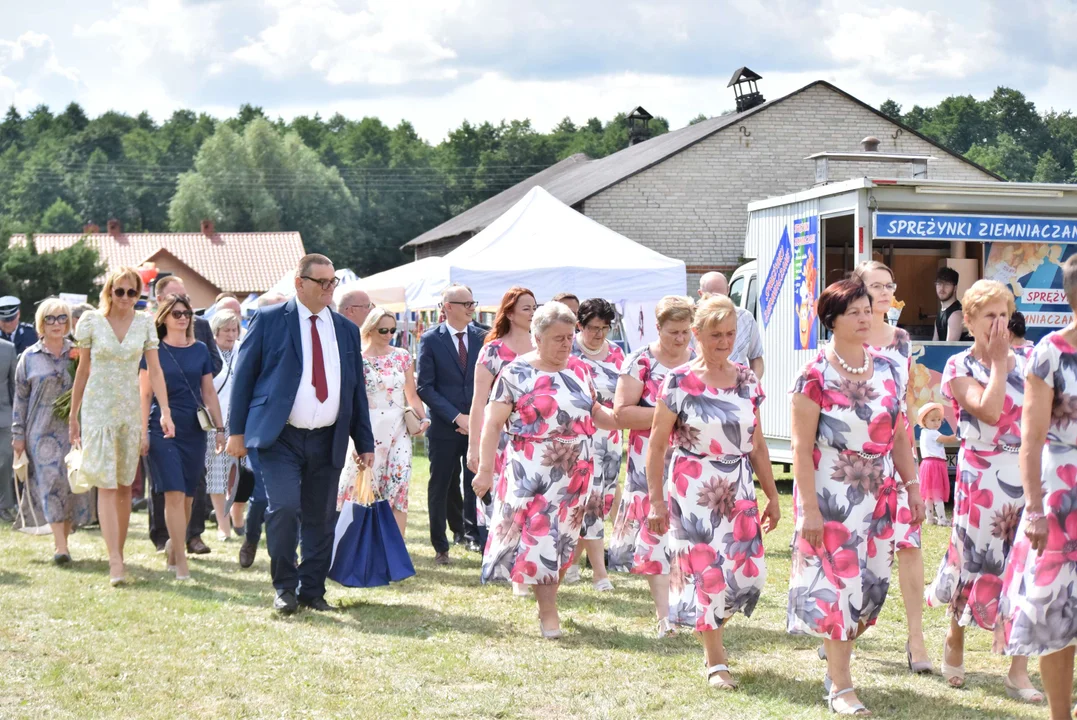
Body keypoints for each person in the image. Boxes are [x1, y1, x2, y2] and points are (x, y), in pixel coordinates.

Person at [787, 278, 921, 716]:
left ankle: (836, 652)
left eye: (868, 309)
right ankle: (841, 686)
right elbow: (800, 448)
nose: (866, 317)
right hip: (832, 492)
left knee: (870, 592)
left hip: (879, 492)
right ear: (832, 321)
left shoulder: (890, 367)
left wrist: (913, 484)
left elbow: (899, 432)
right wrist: (807, 507)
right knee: (838, 587)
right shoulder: (814, 375)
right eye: (855, 312)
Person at [227, 253, 375, 614]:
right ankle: (284, 587)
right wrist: (236, 432)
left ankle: (312, 590)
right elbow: (243, 379)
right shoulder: (268, 319)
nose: (329, 289)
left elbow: (355, 389)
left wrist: (364, 441)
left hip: (328, 436)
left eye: (332, 282)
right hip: (280, 437)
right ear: (299, 283)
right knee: (284, 509)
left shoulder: (345, 329)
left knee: (321, 516)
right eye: (321, 282)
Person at [645, 295, 780, 689]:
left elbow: (755, 442)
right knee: (708, 572)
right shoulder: (679, 380)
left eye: (730, 334)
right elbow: (655, 444)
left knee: (747, 574)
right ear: (697, 334)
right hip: (694, 486)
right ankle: (715, 660)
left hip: (738, 486)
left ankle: (707, 622)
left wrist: (771, 494)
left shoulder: (746, 379)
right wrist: (656, 501)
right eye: (715, 334)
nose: (724, 342)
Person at [925, 279, 1042, 701]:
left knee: (1025, 567)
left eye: (1004, 314)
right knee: (974, 561)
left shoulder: (1031, 359)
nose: (999, 324)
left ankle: (1018, 668)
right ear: (969, 321)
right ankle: (955, 640)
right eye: (989, 316)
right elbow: (990, 412)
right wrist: (996, 364)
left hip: (1027, 473)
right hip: (982, 477)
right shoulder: (960, 366)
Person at [472, 301, 616, 639]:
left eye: (570, 337)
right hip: (534, 470)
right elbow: (492, 424)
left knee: (564, 541)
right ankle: (548, 612)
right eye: (558, 338)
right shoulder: (516, 373)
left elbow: (595, 412)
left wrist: (645, 418)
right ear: (537, 338)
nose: (567, 344)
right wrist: (486, 469)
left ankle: (546, 600)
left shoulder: (580, 370)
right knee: (542, 539)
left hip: (577, 471)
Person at [999, 255, 1077, 720]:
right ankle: (1060, 715)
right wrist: (1033, 509)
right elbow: (1030, 439)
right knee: (1055, 612)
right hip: (1062, 496)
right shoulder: (1049, 352)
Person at [70, 267, 174, 585]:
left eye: (133, 292)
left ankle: (119, 551)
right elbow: (83, 370)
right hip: (98, 410)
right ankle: (115, 562)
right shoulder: (91, 322)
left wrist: (164, 411)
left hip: (129, 410)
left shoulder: (144, 324)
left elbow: (155, 371)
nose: (126, 298)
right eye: (120, 291)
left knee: (125, 486)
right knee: (106, 482)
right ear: (109, 291)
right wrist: (73, 415)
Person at [852, 260, 931, 673]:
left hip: (898, 455)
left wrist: (912, 463)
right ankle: (845, 628)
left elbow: (905, 402)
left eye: (889, 286)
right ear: (859, 291)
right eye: (876, 286)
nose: (884, 293)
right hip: (857, 465)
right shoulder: (849, 335)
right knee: (861, 549)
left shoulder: (900, 339)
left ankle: (916, 640)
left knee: (911, 544)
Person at [609, 295, 695, 638]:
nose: (680, 338)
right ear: (657, 328)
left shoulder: (700, 360)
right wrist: (669, 416)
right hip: (651, 459)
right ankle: (665, 618)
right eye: (673, 331)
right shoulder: (640, 362)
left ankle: (687, 608)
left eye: (687, 331)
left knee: (689, 536)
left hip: (692, 460)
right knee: (657, 538)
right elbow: (622, 413)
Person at [140, 294, 225, 581]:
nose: (183, 318)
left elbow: (209, 393)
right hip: (161, 427)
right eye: (176, 313)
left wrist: (220, 428)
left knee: (188, 496)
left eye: (186, 313)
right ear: (163, 317)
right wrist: (142, 432)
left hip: (193, 427)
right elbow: (144, 394)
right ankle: (182, 564)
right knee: (174, 493)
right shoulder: (152, 350)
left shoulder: (200, 350)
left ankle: (174, 550)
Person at [465, 286, 536, 584]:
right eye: (526, 308)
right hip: (500, 436)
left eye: (535, 307)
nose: (533, 313)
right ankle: (500, 562)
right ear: (508, 313)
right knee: (504, 503)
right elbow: (478, 402)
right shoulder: (493, 350)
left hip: (536, 438)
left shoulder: (543, 346)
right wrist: (473, 449)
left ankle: (529, 562)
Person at [336, 307, 428, 537]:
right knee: (361, 489)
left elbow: (412, 394)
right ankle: (354, 546)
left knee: (398, 487)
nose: (388, 334)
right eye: (383, 330)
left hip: (398, 430)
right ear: (370, 329)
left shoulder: (402, 356)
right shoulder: (357, 359)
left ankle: (394, 551)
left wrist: (423, 417)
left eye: (393, 330)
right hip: (368, 430)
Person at [12, 299, 91, 559]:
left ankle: (63, 540)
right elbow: (20, 398)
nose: (57, 324)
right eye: (50, 319)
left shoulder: (80, 353)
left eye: (61, 318)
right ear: (41, 323)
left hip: (73, 430)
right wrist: (18, 435)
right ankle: (61, 547)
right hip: (40, 432)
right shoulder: (29, 357)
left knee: (70, 486)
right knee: (49, 484)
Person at [417, 284, 486, 564]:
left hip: (478, 425)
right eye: (465, 303)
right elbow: (425, 387)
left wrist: (476, 418)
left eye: (473, 302)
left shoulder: (484, 336)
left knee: (476, 483)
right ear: (447, 307)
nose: (472, 307)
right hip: (445, 427)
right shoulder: (431, 339)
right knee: (441, 484)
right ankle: (440, 545)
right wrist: (458, 418)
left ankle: (473, 536)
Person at [568, 297, 625, 591]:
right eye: (592, 328)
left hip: (612, 438)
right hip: (581, 437)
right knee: (588, 500)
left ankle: (573, 563)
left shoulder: (617, 354)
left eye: (604, 328)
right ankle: (600, 573)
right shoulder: (568, 352)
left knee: (601, 503)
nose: (598, 334)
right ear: (580, 325)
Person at [237, 292, 288, 569]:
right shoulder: (254, 341)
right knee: (261, 494)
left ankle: (286, 552)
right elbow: (242, 388)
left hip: (291, 431)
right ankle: (251, 538)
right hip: (258, 429)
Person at [204, 310, 245, 541]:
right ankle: (223, 525)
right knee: (216, 474)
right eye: (226, 330)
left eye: (234, 329)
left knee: (242, 473)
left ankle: (237, 516)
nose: (231, 334)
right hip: (214, 422)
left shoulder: (243, 351)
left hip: (240, 421)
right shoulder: (209, 353)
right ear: (216, 332)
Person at [698, 271, 764, 379]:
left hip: (738, 386)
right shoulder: (694, 321)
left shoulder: (745, 318)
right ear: (701, 294)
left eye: (721, 295)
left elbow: (756, 358)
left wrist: (752, 384)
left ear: (728, 290)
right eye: (712, 296)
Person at [916, 402, 955, 526]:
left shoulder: (924, 433)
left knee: (929, 494)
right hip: (935, 465)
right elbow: (948, 439)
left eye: (939, 420)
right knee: (937, 493)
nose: (937, 423)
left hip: (927, 464)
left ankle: (930, 518)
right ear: (924, 421)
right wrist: (960, 435)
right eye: (933, 420)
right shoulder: (933, 433)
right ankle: (942, 519)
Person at [933, 267, 970, 342]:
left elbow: (949, 349)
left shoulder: (956, 314)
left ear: (955, 288)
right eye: (939, 283)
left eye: (947, 284)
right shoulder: (941, 313)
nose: (942, 288)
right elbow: (935, 344)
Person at [0, 336, 14, 524]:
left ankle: (4, 506)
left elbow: (14, 385)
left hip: (4, 415)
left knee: (4, 461)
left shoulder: (8, 348)